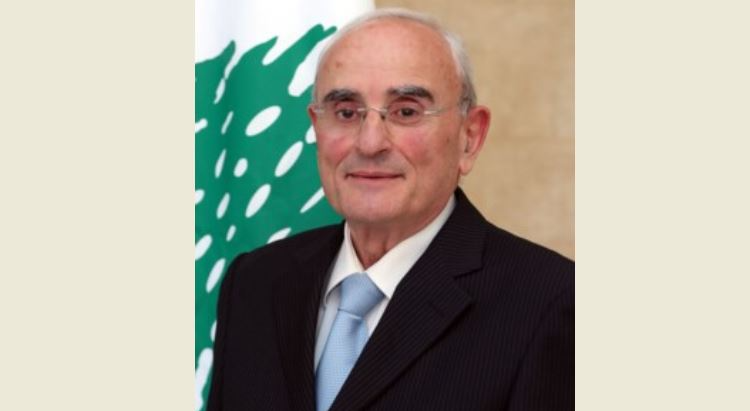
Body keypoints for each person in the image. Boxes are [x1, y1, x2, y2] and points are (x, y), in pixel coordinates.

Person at [207, 8, 573, 411]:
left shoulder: (553, 303)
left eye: (406, 112)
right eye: (346, 112)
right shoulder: (254, 283)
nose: (369, 143)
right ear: (316, 126)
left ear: (469, 137)